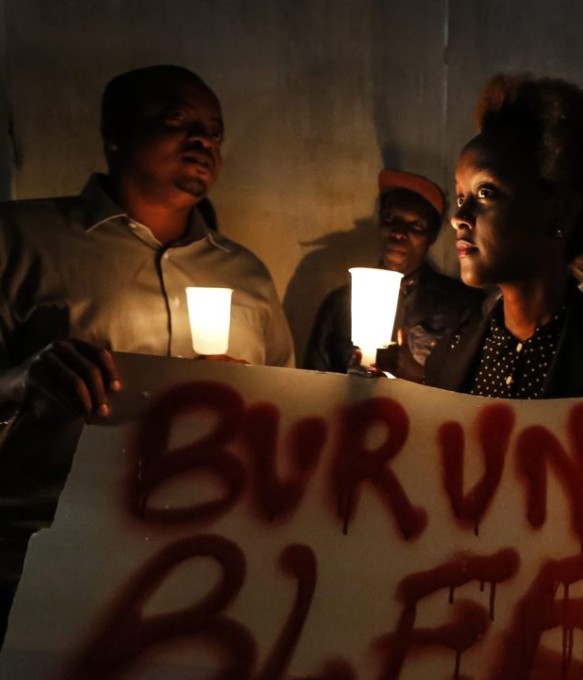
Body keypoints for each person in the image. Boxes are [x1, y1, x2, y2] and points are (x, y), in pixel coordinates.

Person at [0, 65, 293, 642]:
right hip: (41, 557)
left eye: (215, 131)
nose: (203, 141)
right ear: (115, 133)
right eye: (176, 121)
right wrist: (25, 380)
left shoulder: (246, 276)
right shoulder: (20, 241)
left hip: (196, 568)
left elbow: (284, 420)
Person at [424, 74, 583, 399]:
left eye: (485, 192)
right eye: (461, 196)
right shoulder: (445, 361)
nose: (458, 218)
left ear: (558, 214)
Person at [305, 169, 483, 382]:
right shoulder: (338, 306)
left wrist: (417, 375)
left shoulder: (461, 307)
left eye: (415, 225)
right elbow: (311, 383)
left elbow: (468, 393)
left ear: (432, 236)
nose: (399, 232)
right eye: (390, 219)